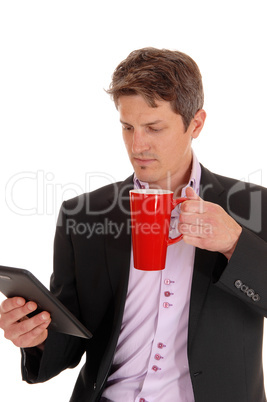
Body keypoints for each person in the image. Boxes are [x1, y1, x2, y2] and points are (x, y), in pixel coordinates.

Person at [0, 47, 267, 402]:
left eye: (154, 128)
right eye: (128, 127)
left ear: (196, 124)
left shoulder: (253, 205)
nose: (137, 145)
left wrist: (234, 243)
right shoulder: (82, 214)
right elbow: (70, 340)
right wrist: (36, 336)